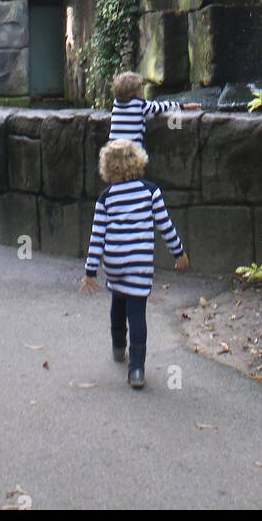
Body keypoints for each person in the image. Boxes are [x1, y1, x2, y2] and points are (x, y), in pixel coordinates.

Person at [81, 138, 189, 388]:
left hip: (115, 262)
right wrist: (178, 253)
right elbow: (165, 226)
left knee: (118, 301)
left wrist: (90, 270)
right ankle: (137, 369)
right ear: (137, 161)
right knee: (137, 312)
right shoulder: (150, 191)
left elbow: (97, 235)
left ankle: (119, 346)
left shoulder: (105, 197)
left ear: (107, 167)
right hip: (139, 263)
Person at [109, 69, 200, 145]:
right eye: (140, 88)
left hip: (114, 148)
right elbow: (162, 106)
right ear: (133, 93)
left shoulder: (116, 104)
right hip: (132, 149)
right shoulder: (140, 104)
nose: (142, 91)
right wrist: (183, 106)